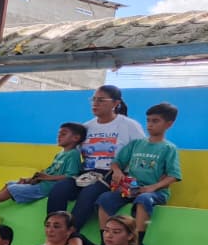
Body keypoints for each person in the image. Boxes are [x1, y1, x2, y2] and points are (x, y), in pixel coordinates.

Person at [47, 85, 146, 231]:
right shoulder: (86, 127)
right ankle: (53, 229)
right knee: (59, 189)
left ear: (116, 103)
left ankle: (69, 233)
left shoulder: (129, 126)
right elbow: (73, 154)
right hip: (86, 174)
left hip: (112, 175)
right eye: (93, 100)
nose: (95, 103)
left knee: (89, 193)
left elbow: (142, 152)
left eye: (101, 100)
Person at [97, 102, 181, 245]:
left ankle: (137, 243)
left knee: (143, 199)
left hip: (155, 193)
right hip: (131, 189)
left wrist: (152, 187)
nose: (150, 125)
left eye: (155, 121)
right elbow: (117, 162)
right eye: (148, 120)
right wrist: (117, 171)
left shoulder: (169, 148)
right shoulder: (136, 144)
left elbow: (173, 175)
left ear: (169, 124)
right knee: (105, 198)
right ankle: (104, 242)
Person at [0, 123, 85, 217]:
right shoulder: (60, 154)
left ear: (75, 138)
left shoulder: (73, 154)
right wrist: (31, 180)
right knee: (10, 184)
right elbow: (49, 172)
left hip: (46, 188)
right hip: (41, 183)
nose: (59, 136)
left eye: (63, 134)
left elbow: (71, 176)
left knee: (13, 189)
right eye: (59, 133)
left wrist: (46, 178)